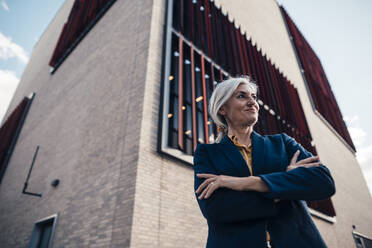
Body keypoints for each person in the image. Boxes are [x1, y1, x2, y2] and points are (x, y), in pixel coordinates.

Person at [193, 76, 335, 248]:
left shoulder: (283, 143)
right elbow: (216, 208)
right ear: (222, 108)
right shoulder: (207, 153)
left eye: (253, 96)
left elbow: (324, 182)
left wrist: (249, 183)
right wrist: (284, 185)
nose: (252, 102)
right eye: (241, 96)